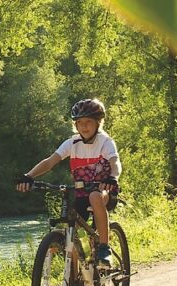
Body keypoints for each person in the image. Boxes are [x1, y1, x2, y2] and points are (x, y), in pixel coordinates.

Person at [16, 98, 121, 268]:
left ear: (98, 123)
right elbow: (50, 162)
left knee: (95, 196)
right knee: (71, 232)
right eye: (80, 122)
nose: (84, 126)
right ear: (75, 125)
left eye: (88, 122)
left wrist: (113, 177)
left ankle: (104, 248)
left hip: (104, 191)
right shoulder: (72, 143)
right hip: (81, 194)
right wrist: (28, 176)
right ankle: (76, 281)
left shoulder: (105, 142)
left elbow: (114, 162)